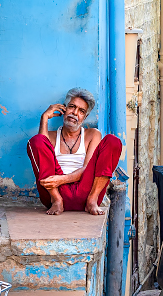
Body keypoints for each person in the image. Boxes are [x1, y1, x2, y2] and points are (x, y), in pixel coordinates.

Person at [26, 88, 122, 216]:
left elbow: (88, 168)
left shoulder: (92, 135)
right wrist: (44, 118)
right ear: (64, 109)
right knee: (36, 141)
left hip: (86, 191)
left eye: (81, 111)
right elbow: (40, 148)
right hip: (54, 192)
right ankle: (57, 200)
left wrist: (61, 179)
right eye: (72, 107)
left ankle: (92, 200)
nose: (75, 113)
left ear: (85, 117)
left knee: (113, 141)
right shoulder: (52, 136)